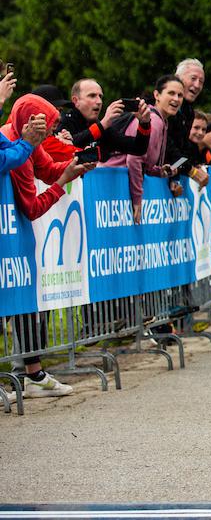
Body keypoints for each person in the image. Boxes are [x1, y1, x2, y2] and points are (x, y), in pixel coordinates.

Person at [2, 94, 91, 397]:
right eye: (48, 128)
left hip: (16, 239)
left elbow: (49, 168)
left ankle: (34, 374)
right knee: (17, 308)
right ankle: (25, 374)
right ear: (31, 124)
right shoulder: (15, 146)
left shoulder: (27, 139)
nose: (51, 135)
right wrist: (61, 184)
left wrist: (73, 165)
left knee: (27, 306)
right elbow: (32, 207)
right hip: (10, 237)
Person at [103, 75, 184, 224]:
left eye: (180, 95)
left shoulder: (161, 120)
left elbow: (142, 162)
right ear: (157, 95)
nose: (176, 99)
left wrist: (158, 171)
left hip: (116, 183)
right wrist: (137, 199)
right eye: (171, 93)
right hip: (111, 184)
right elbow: (133, 159)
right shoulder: (155, 121)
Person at [57, 79, 153, 161]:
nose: (99, 101)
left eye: (100, 96)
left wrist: (144, 124)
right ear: (76, 101)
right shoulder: (64, 120)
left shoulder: (102, 127)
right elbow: (66, 150)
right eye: (92, 96)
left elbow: (138, 149)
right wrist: (102, 125)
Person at [166, 58, 208, 188]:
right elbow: (165, 144)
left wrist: (176, 178)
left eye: (201, 82)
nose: (197, 85)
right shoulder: (160, 107)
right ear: (178, 78)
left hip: (166, 175)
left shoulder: (188, 110)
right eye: (193, 78)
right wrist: (191, 170)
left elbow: (181, 149)